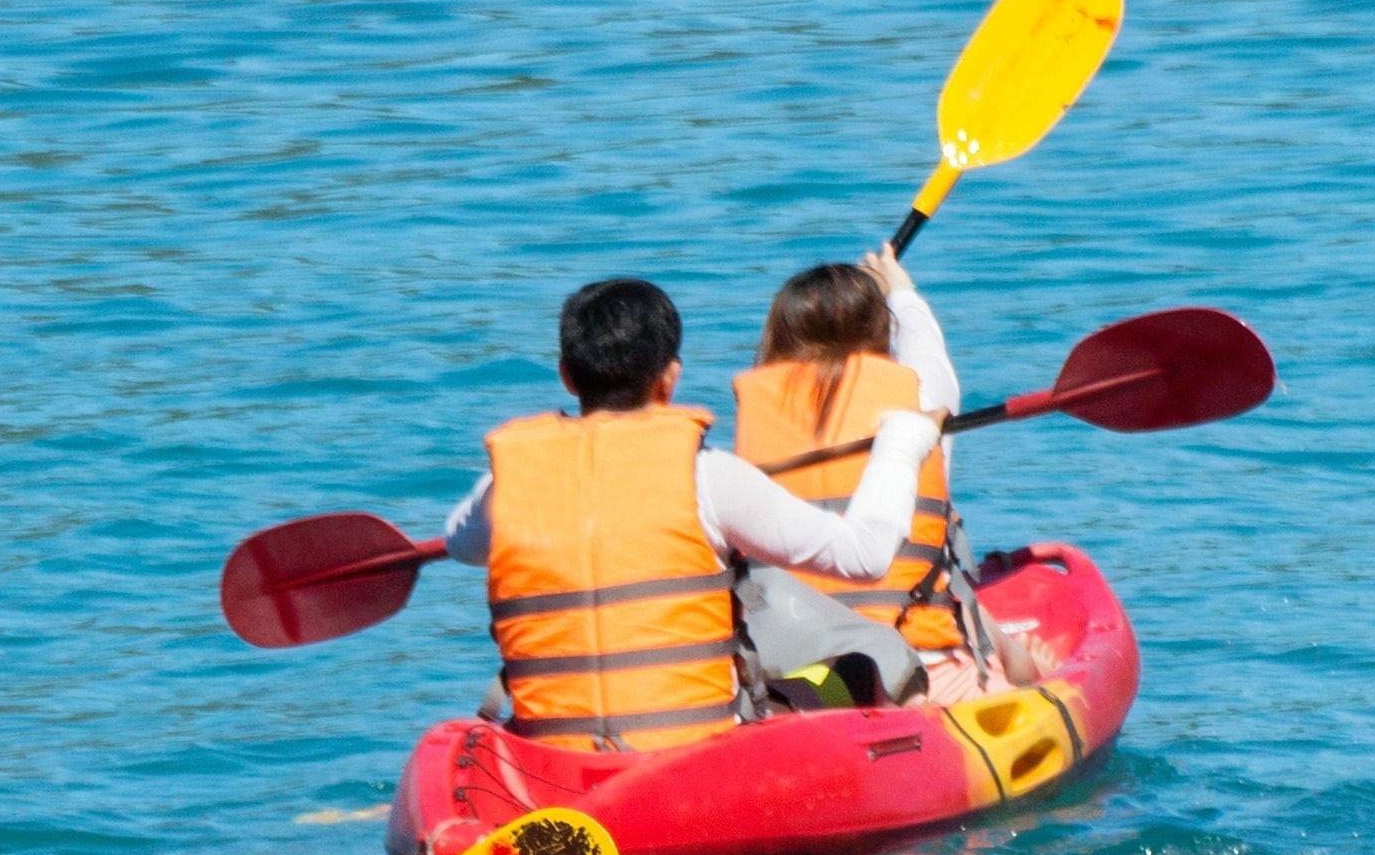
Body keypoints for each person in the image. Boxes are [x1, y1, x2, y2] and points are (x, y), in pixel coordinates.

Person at [437, 272, 946, 753]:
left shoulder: (504, 486)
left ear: (568, 377)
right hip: (690, 758)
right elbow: (863, 556)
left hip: (561, 759)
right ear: (670, 377)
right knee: (853, 674)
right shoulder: (710, 477)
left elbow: (458, 541)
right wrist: (902, 444)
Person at [724, 243, 1045, 687]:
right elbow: (930, 358)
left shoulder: (751, 429)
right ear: (879, 334)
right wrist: (901, 292)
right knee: (1015, 663)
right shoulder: (918, 408)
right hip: (916, 666)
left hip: (789, 670)